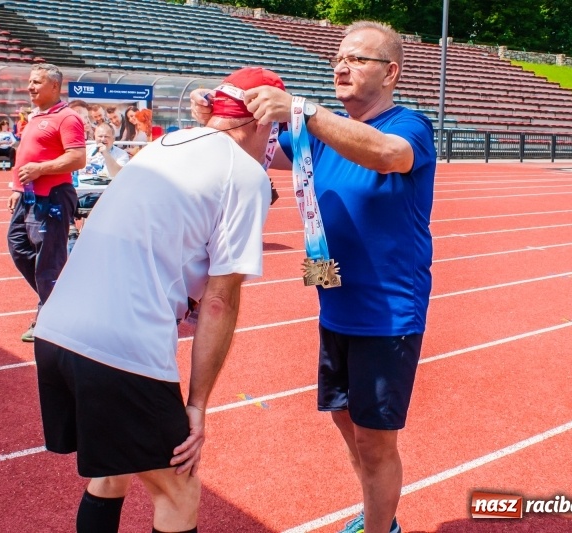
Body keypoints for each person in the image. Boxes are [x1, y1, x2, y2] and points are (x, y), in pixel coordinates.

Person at [193, 20, 436, 533]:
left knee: (375, 441)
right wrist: (218, 114)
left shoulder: (409, 126)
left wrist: (304, 110)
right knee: (348, 425)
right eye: (337, 59)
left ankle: (380, 528)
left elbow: (388, 155)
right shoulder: (320, 136)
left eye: (357, 59)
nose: (341, 67)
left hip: (389, 312)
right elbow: (251, 148)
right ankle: (379, 515)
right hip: (336, 305)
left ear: (390, 72)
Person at [32, 66, 284, 533]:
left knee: (113, 471)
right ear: (262, 122)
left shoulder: (164, 143)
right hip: (121, 348)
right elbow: (219, 301)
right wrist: (197, 406)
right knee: (178, 488)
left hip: (56, 329)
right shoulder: (245, 174)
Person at [6, 63, 87, 343]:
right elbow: (25, 155)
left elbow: (77, 158)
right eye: (30, 81)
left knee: (49, 261)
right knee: (18, 246)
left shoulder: (67, 118)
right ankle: (59, 300)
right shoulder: (35, 116)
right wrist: (17, 187)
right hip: (28, 196)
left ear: (54, 86)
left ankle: (49, 320)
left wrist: (41, 169)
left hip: (52, 197)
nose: (30, 87)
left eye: (37, 82)